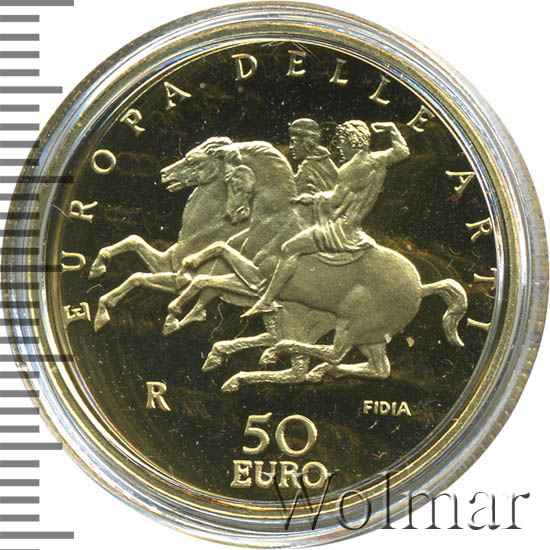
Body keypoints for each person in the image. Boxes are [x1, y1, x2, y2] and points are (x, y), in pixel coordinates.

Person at [242, 119, 410, 317]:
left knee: (289, 249)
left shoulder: (350, 169)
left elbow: (334, 202)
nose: (339, 149)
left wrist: (312, 198)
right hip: (355, 226)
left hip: (340, 230)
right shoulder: (378, 160)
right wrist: (391, 128)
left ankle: (266, 300)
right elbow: (402, 151)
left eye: (342, 144)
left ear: (352, 142)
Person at [288, 118, 338, 194]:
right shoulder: (326, 162)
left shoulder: (307, 170)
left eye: (294, 141)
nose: (290, 147)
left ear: (309, 141)